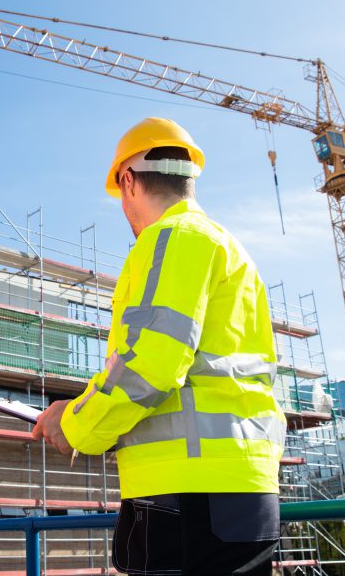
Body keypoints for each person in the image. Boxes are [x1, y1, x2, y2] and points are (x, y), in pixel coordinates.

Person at [33, 117, 285, 575]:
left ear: (128, 181)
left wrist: (75, 424)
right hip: (244, 488)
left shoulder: (171, 238)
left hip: (185, 494)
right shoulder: (227, 246)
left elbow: (151, 362)